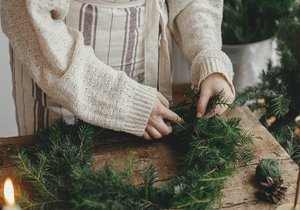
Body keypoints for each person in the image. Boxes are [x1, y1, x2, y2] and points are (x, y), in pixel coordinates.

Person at [0, 0, 234, 140]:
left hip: (148, 77)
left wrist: (208, 55)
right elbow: (28, 15)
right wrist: (123, 100)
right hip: (65, 81)